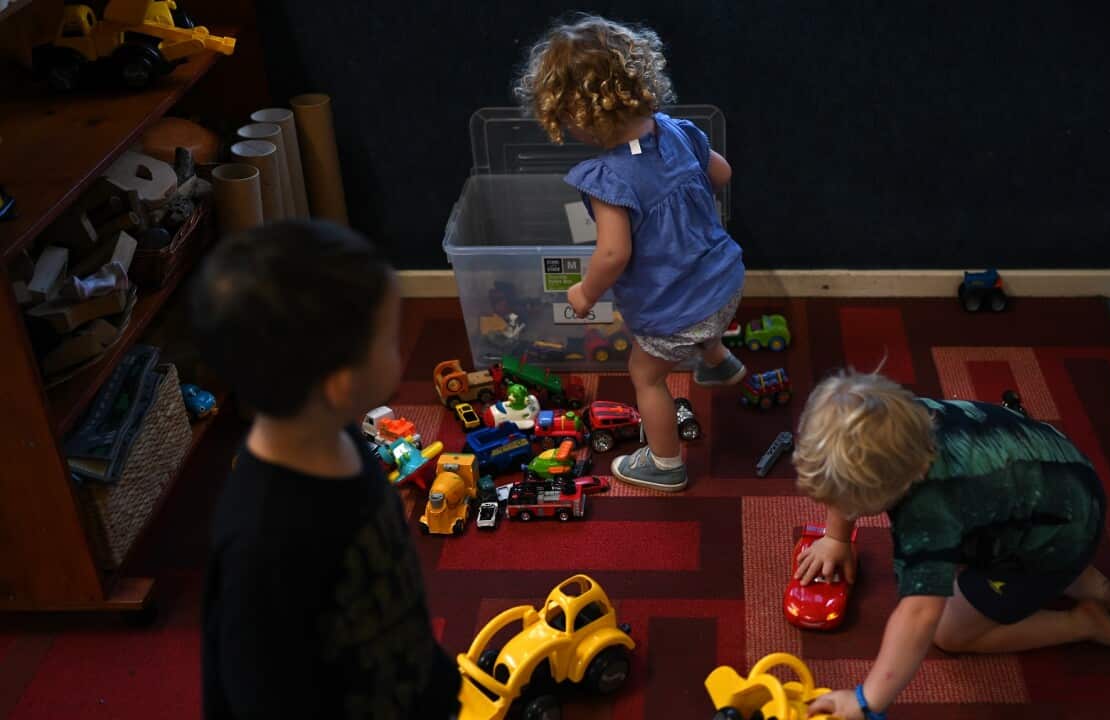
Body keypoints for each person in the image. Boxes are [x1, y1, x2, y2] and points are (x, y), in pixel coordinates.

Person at [192, 221, 460, 719]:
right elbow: (262, 694)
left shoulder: (342, 437)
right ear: (340, 384)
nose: (400, 349)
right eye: (390, 339)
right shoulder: (263, 541)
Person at [792, 370, 1110, 719]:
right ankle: (1076, 575)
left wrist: (866, 701)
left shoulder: (928, 513)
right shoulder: (896, 420)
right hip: (1065, 482)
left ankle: (1082, 623)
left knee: (949, 632)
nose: (842, 507)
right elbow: (849, 467)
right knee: (1018, 524)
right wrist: (836, 537)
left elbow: (919, 614)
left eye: (850, 502)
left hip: (1057, 537)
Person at [516, 14, 747, 492]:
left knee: (645, 373)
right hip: (726, 281)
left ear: (579, 117)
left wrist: (584, 292)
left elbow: (612, 255)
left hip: (681, 309)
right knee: (697, 310)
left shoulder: (608, 179)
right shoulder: (678, 131)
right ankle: (720, 360)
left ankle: (665, 464)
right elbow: (722, 174)